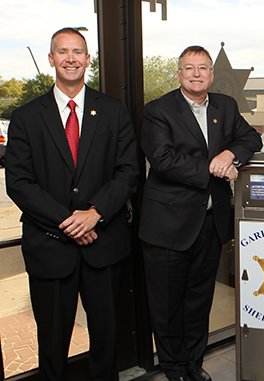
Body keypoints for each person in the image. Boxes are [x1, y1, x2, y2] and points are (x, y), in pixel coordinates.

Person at [5, 28, 138, 381]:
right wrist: (70, 222)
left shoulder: (113, 111)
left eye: (77, 51)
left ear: (88, 59)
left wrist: (95, 214)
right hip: (50, 247)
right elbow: (18, 182)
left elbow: (128, 171)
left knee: (106, 340)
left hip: (104, 246)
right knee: (52, 342)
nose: (70, 58)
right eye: (62, 51)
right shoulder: (26, 117)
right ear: (51, 59)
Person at [138, 45, 262, 381]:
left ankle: (193, 365)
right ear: (179, 74)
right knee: (167, 307)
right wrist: (216, 165)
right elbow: (163, 160)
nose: (196, 74)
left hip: (209, 225)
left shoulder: (225, 105)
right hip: (168, 227)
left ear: (210, 74)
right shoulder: (158, 110)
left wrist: (231, 153)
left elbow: (251, 139)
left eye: (203, 68)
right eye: (189, 68)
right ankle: (174, 368)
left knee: (198, 302)